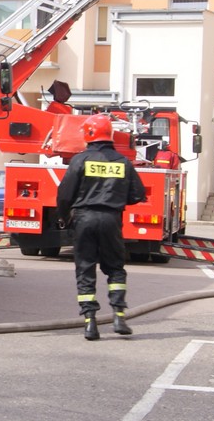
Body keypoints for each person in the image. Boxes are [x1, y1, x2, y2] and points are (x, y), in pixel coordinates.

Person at [57, 114, 146, 341]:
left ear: (88, 134)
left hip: (84, 219)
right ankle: (119, 315)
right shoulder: (122, 161)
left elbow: (65, 194)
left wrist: (64, 217)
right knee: (115, 268)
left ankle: (90, 323)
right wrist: (115, 200)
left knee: (85, 269)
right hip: (111, 219)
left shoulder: (80, 160)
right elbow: (138, 194)